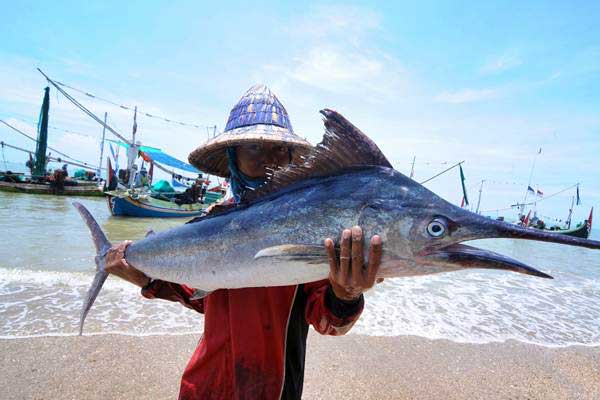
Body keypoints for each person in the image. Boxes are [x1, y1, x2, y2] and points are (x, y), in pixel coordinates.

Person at [105, 85, 383, 399]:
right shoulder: (213, 216)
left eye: (279, 149)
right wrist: (148, 280)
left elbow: (327, 322)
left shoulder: (309, 223)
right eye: (254, 148)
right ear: (233, 156)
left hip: (273, 389)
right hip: (203, 386)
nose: (270, 159)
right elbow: (202, 295)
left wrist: (345, 293)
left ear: (291, 155)